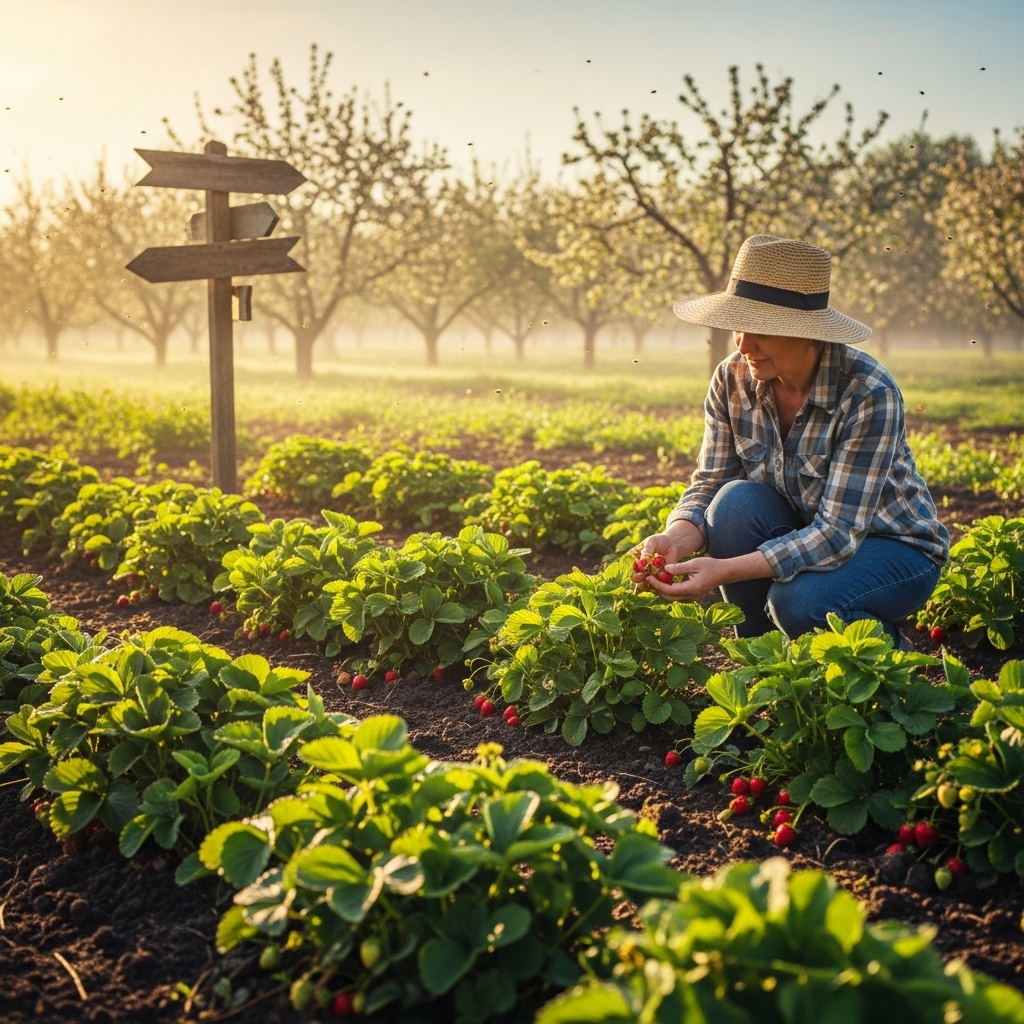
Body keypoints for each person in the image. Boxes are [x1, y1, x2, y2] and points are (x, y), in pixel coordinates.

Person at [635, 234, 948, 645]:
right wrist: (674, 538)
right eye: (737, 326)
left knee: (799, 603)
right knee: (732, 503)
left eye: (760, 328)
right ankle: (764, 662)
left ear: (808, 332)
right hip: (805, 530)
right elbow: (710, 484)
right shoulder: (732, 379)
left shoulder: (868, 392)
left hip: (893, 548)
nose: (743, 343)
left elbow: (837, 533)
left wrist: (721, 571)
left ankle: (892, 659)